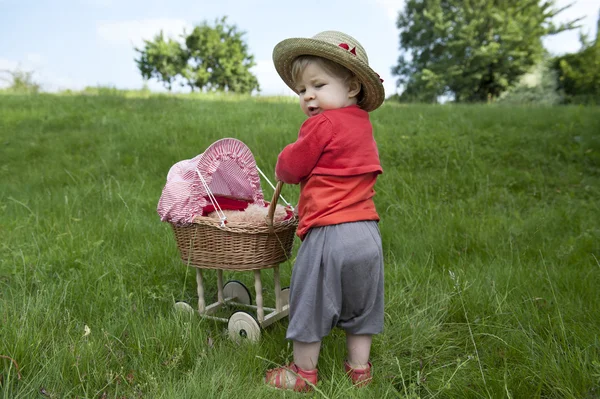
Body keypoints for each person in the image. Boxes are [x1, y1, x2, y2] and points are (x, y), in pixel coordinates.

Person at [265, 30, 385, 392]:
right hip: (367, 233)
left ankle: (303, 374)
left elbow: (290, 167)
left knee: (311, 302)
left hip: (329, 233)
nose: (309, 96)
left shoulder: (322, 124)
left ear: (352, 88)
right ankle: (359, 369)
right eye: (302, 90)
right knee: (362, 304)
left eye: (318, 85)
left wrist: (283, 161)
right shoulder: (362, 124)